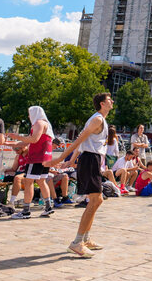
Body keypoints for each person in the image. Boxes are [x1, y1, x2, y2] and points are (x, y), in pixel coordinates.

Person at [47, 92, 115, 257]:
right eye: (108, 100)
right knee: (96, 200)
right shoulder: (97, 119)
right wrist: (62, 157)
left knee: (96, 201)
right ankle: (77, 242)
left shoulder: (101, 120)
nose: (112, 101)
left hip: (92, 159)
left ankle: (85, 238)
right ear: (102, 104)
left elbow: (82, 143)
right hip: (90, 159)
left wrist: (71, 161)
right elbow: (79, 140)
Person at [7, 106, 58, 219]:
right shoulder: (46, 124)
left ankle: (26, 211)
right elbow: (29, 141)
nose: (29, 116)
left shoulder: (39, 123)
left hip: (36, 157)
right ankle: (48, 207)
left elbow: (33, 139)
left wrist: (17, 136)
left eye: (29, 114)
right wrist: (10, 143)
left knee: (28, 181)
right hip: (46, 157)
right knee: (41, 181)